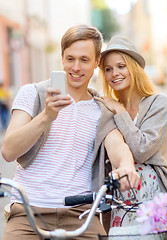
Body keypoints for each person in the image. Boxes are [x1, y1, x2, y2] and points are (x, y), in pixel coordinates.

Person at [1, 26, 140, 240]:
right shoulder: (33, 93)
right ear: (62, 58)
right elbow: (9, 151)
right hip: (27, 213)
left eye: (84, 60)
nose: (75, 67)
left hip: (82, 213)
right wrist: (47, 116)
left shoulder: (101, 109)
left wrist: (127, 167)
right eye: (70, 59)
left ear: (97, 62)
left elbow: (118, 148)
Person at [96, 35, 167, 228]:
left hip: (154, 197)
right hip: (120, 195)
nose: (115, 73)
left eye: (121, 66)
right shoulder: (108, 108)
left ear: (134, 68)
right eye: (108, 69)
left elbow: (141, 150)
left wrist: (120, 112)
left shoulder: (159, 103)